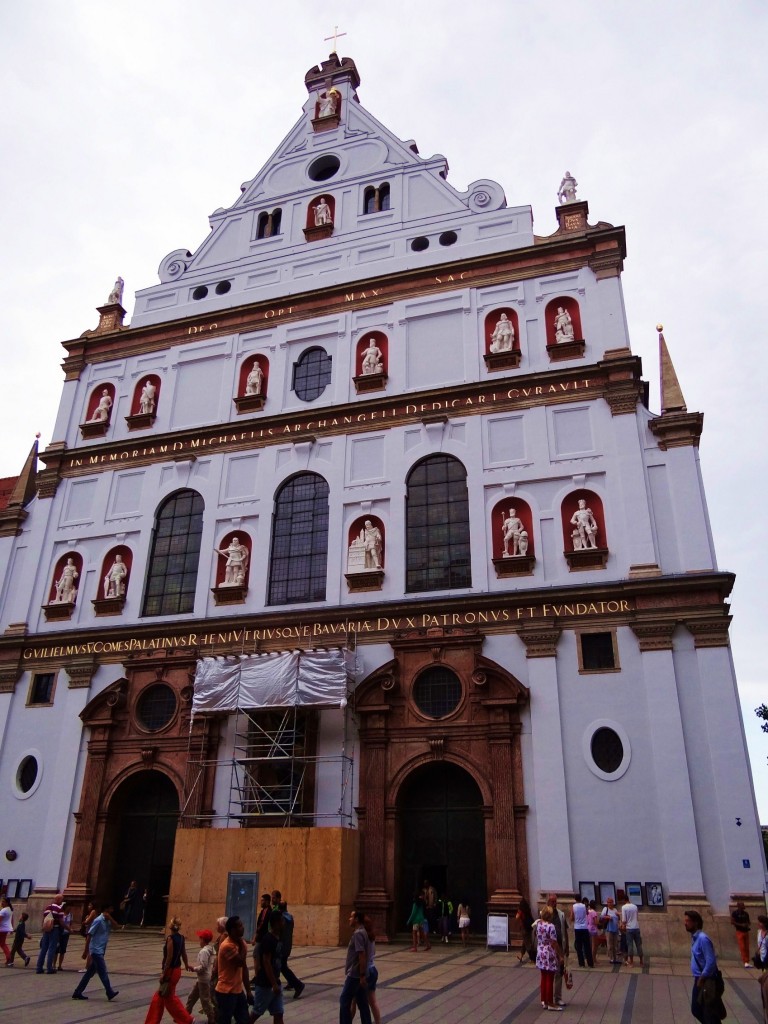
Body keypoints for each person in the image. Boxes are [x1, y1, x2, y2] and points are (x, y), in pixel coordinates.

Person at [143, 916, 193, 1024]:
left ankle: (186, 1019)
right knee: (160, 996)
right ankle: (152, 1020)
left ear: (170, 926)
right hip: (177, 970)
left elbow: (169, 957)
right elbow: (183, 953)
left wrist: (164, 973)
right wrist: (186, 964)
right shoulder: (181, 938)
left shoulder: (171, 938)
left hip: (170, 971)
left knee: (169, 998)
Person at [71, 902, 119, 1002]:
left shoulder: (107, 921)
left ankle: (78, 992)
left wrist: (110, 918)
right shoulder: (98, 920)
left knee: (89, 973)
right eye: (110, 909)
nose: (112, 911)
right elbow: (89, 935)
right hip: (96, 950)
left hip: (101, 949)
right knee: (102, 971)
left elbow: (116, 927)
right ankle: (109, 991)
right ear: (106, 910)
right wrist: (86, 951)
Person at [685, 910, 726, 1023]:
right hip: (699, 979)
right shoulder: (695, 938)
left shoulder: (703, 939)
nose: (685, 923)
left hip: (706, 980)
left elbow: (711, 961)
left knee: (707, 1011)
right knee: (697, 1010)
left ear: (696, 923)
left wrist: (703, 977)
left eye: (688, 921)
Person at [251, 908, 285, 1024]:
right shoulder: (268, 939)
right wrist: (273, 983)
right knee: (256, 1013)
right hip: (266, 984)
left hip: (275, 982)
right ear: (276, 923)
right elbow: (266, 962)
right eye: (282, 921)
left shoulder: (279, 938)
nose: (283, 923)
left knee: (278, 1013)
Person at [216, 915, 251, 1024]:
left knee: (244, 1020)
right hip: (226, 991)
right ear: (232, 930)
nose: (243, 927)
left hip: (237, 990)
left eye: (242, 925)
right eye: (239, 926)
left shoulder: (241, 943)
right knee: (224, 1021)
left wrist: (248, 991)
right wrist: (241, 944)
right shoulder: (227, 945)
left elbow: (244, 968)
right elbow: (240, 962)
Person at [340, 910, 372, 1024]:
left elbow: (361, 954)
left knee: (344, 1000)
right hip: (360, 974)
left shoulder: (358, 933)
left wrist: (362, 975)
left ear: (357, 919)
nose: (349, 919)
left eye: (351, 917)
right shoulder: (363, 932)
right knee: (362, 1003)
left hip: (355, 974)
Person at [535, 906, 564, 1012]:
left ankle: (544, 1000)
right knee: (550, 978)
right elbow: (554, 942)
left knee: (543, 977)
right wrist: (560, 955)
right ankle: (550, 1003)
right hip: (549, 953)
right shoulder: (551, 926)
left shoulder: (539, 924)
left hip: (541, 951)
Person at [186, 929, 216, 1024]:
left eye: (200, 939)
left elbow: (203, 967)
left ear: (203, 939)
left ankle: (212, 1018)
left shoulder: (204, 951)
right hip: (201, 979)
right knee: (192, 996)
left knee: (205, 1001)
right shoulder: (209, 949)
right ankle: (185, 1014)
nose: (199, 941)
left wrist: (193, 968)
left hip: (203, 980)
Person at [276, 900, 305, 998]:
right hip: (287, 945)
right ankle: (294, 983)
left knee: (282, 967)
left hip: (281, 946)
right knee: (282, 966)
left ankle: (298, 984)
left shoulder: (281, 919)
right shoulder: (290, 917)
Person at [548, 894, 569, 1007]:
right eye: (552, 901)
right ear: (548, 902)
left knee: (559, 973)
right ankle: (547, 998)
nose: (554, 903)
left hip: (560, 947)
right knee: (548, 974)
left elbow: (565, 930)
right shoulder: (545, 914)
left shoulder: (561, 914)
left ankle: (558, 997)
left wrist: (567, 947)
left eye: (555, 901)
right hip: (549, 949)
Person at [36, 892, 64, 973]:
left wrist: (43, 927)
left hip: (46, 929)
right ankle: (49, 968)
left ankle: (39, 967)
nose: (62, 901)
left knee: (43, 948)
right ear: (58, 899)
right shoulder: (59, 908)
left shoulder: (48, 907)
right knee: (52, 948)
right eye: (61, 899)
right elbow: (61, 922)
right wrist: (68, 929)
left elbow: (44, 918)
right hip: (54, 929)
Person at [621, 892, 644, 967]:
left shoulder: (624, 907)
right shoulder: (635, 906)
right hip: (636, 927)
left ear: (624, 900)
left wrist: (623, 925)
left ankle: (631, 962)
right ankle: (641, 962)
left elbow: (624, 920)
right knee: (639, 945)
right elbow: (637, 917)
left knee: (630, 945)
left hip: (629, 928)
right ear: (628, 899)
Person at [571, 896, 594, 968]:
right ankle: (590, 963)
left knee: (579, 946)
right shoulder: (584, 906)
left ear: (575, 900)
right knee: (587, 946)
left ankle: (581, 963)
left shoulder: (573, 906)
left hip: (577, 928)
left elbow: (572, 917)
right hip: (584, 927)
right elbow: (587, 913)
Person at [731, 900, 752, 968]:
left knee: (747, 947)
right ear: (739, 906)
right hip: (739, 931)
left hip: (746, 931)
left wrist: (747, 924)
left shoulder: (746, 914)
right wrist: (741, 925)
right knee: (742, 947)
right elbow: (732, 922)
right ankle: (745, 961)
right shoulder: (735, 913)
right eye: (742, 905)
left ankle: (747, 961)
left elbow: (749, 922)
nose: (744, 906)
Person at [601, 896, 621, 964]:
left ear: (613, 903)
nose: (609, 903)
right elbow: (602, 917)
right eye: (608, 902)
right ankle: (611, 958)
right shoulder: (605, 909)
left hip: (615, 929)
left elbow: (618, 919)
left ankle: (615, 958)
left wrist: (618, 916)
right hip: (609, 929)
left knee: (615, 944)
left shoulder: (615, 910)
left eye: (611, 902)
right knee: (610, 944)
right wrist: (608, 917)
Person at [515, 898, 535, 964]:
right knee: (525, 943)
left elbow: (517, 917)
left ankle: (533, 959)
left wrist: (518, 912)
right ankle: (521, 956)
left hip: (524, 928)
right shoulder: (528, 909)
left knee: (528, 944)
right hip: (529, 928)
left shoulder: (521, 910)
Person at [56, 905, 74, 970]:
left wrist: (70, 929)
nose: (69, 909)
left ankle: (60, 965)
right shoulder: (61, 914)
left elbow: (71, 923)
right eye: (68, 907)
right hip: (59, 932)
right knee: (56, 949)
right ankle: (53, 964)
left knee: (63, 950)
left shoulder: (71, 915)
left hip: (66, 933)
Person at [587, 899, 602, 965]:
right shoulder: (594, 912)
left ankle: (591, 958)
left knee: (590, 945)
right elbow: (596, 922)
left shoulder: (587, 911)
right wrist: (600, 923)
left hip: (588, 928)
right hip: (593, 929)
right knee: (594, 945)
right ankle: (593, 959)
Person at [0, 896, 12, 965]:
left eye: (3, 902)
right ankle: (9, 958)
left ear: (7, 903)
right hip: (5, 929)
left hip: (1, 929)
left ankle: (9, 958)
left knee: (2, 944)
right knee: (3, 944)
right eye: (2, 901)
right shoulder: (9, 909)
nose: (2, 903)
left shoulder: (3, 910)